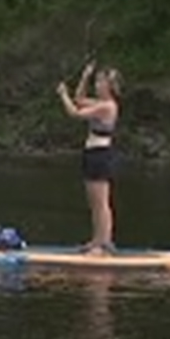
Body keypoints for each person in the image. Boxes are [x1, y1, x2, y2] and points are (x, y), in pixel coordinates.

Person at [56, 62, 122, 254]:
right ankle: (96, 240)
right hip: (91, 154)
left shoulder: (108, 107)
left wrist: (62, 95)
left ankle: (105, 243)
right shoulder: (100, 104)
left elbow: (75, 113)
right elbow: (79, 98)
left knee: (101, 202)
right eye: (97, 81)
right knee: (94, 202)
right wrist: (85, 76)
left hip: (101, 155)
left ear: (110, 86)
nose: (97, 85)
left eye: (101, 82)